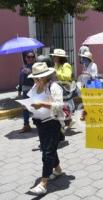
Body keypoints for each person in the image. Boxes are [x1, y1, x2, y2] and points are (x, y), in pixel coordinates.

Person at [27, 62, 64, 195]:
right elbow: (30, 99)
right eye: (35, 78)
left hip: (52, 123)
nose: (36, 81)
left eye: (39, 78)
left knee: (47, 152)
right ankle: (58, 169)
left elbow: (59, 105)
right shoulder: (34, 86)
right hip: (40, 123)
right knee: (48, 148)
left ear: (46, 76)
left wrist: (42, 104)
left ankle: (43, 183)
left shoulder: (54, 87)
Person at [51, 48, 75, 133]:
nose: (53, 58)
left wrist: (56, 73)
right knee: (62, 105)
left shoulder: (66, 65)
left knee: (64, 104)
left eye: (55, 56)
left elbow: (67, 76)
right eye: (53, 56)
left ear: (59, 57)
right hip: (59, 87)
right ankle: (68, 121)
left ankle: (66, 122)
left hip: (65, 87)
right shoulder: (56, 65)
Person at [18, 50, 36, 133]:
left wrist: (30, 73)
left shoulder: (36, 67)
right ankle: (26, 125)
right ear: (25, 58)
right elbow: (20, 80)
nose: (31, 58)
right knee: (25, 108)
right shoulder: (23, 68)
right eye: (29, 57)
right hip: (25, 90)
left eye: (32, 57)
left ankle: (41, 123)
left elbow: (39, 79)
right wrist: (19, 90)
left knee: (36, 107)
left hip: (34, 89)